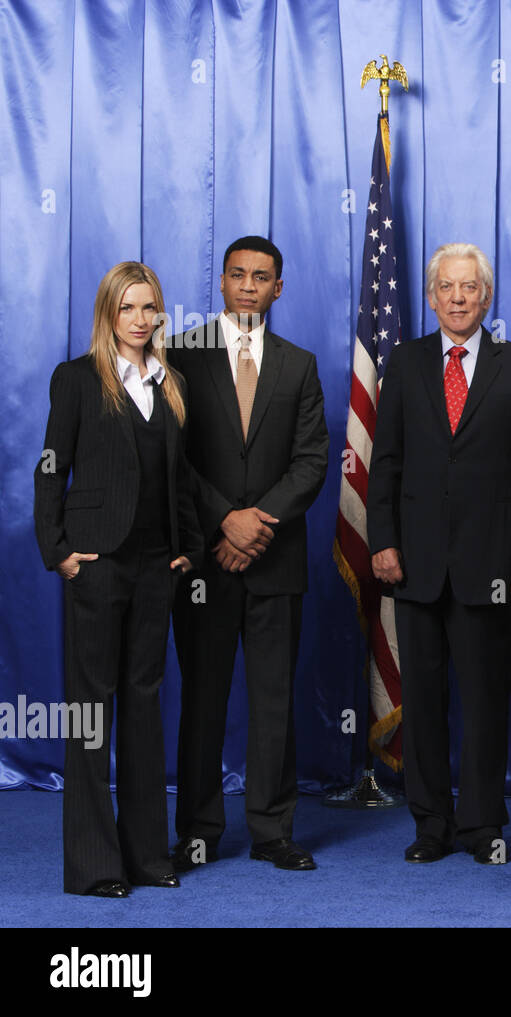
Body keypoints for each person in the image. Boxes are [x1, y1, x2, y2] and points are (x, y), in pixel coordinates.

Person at [369, 242, 511, 865]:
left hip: (493, 567)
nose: (456, 298)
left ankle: (481, 825)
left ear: (486, 296)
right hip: (414, 561)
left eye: (468, 288)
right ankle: (430, 824)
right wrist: (383, 540)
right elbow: (384, 460)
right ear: (430, 296)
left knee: (485, 701)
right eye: (445, 287)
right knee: (422, 701)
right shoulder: (406, 361)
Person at [34, 262, 203, 896]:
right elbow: (52, 466)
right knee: (89, 715)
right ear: (109, 313)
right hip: (97, 563)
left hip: (156, 565)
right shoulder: (76, 380)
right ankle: (93, 865)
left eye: (150, 307)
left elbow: (179, 476)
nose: (140, 319)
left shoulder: (170, 383)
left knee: (143, 707)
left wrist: (186, 548)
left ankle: (147, 857)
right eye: (128, 307)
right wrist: (59, 551)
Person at [169, 236, 329, 873]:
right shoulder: (180, 355)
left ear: (278, 289)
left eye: (261, 277)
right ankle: (199, 832)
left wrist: (256, 524)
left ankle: (272, 833)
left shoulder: (299, 364)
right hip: (204, 563)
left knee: (273, 704)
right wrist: (223, 523)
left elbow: (313, 460)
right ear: (222, 282)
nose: (247, 287)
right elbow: (171, 458)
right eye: (237, 275)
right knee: (203, 703)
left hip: (275, 559)